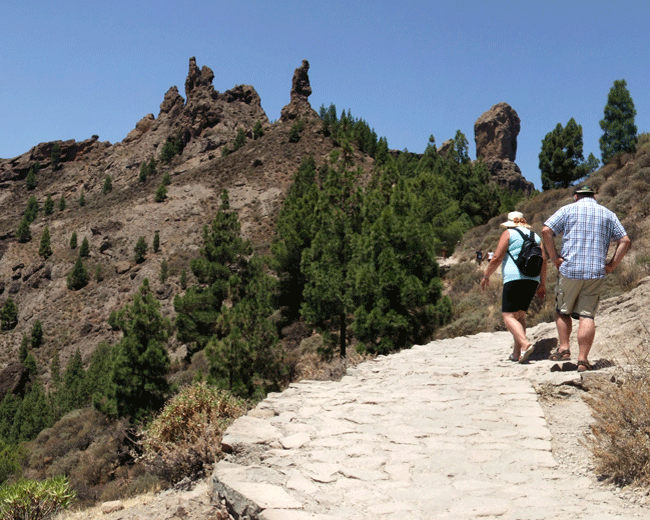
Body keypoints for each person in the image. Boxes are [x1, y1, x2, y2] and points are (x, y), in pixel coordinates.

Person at [542, 185, 630, 372]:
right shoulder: (607, 213)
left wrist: (554, 257)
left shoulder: (567, 209)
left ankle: (564, 349)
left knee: (562, 310)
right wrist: (612, 265)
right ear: (594, 197)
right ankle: (583, 360)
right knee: (587, 315)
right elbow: (625, 241)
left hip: (570, 270)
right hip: (595, 272)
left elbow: (546, 231)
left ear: (576, 197)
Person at [481, 211, 547, 363]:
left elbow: (497, 257)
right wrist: (542, 284)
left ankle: (524, 344)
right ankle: (517, 354)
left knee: (508, 316)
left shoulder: (509, 233)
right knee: (519, 316)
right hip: (532, 280)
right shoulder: (535, 236)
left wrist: (486, 275)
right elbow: (544, 260)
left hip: (514, 278)